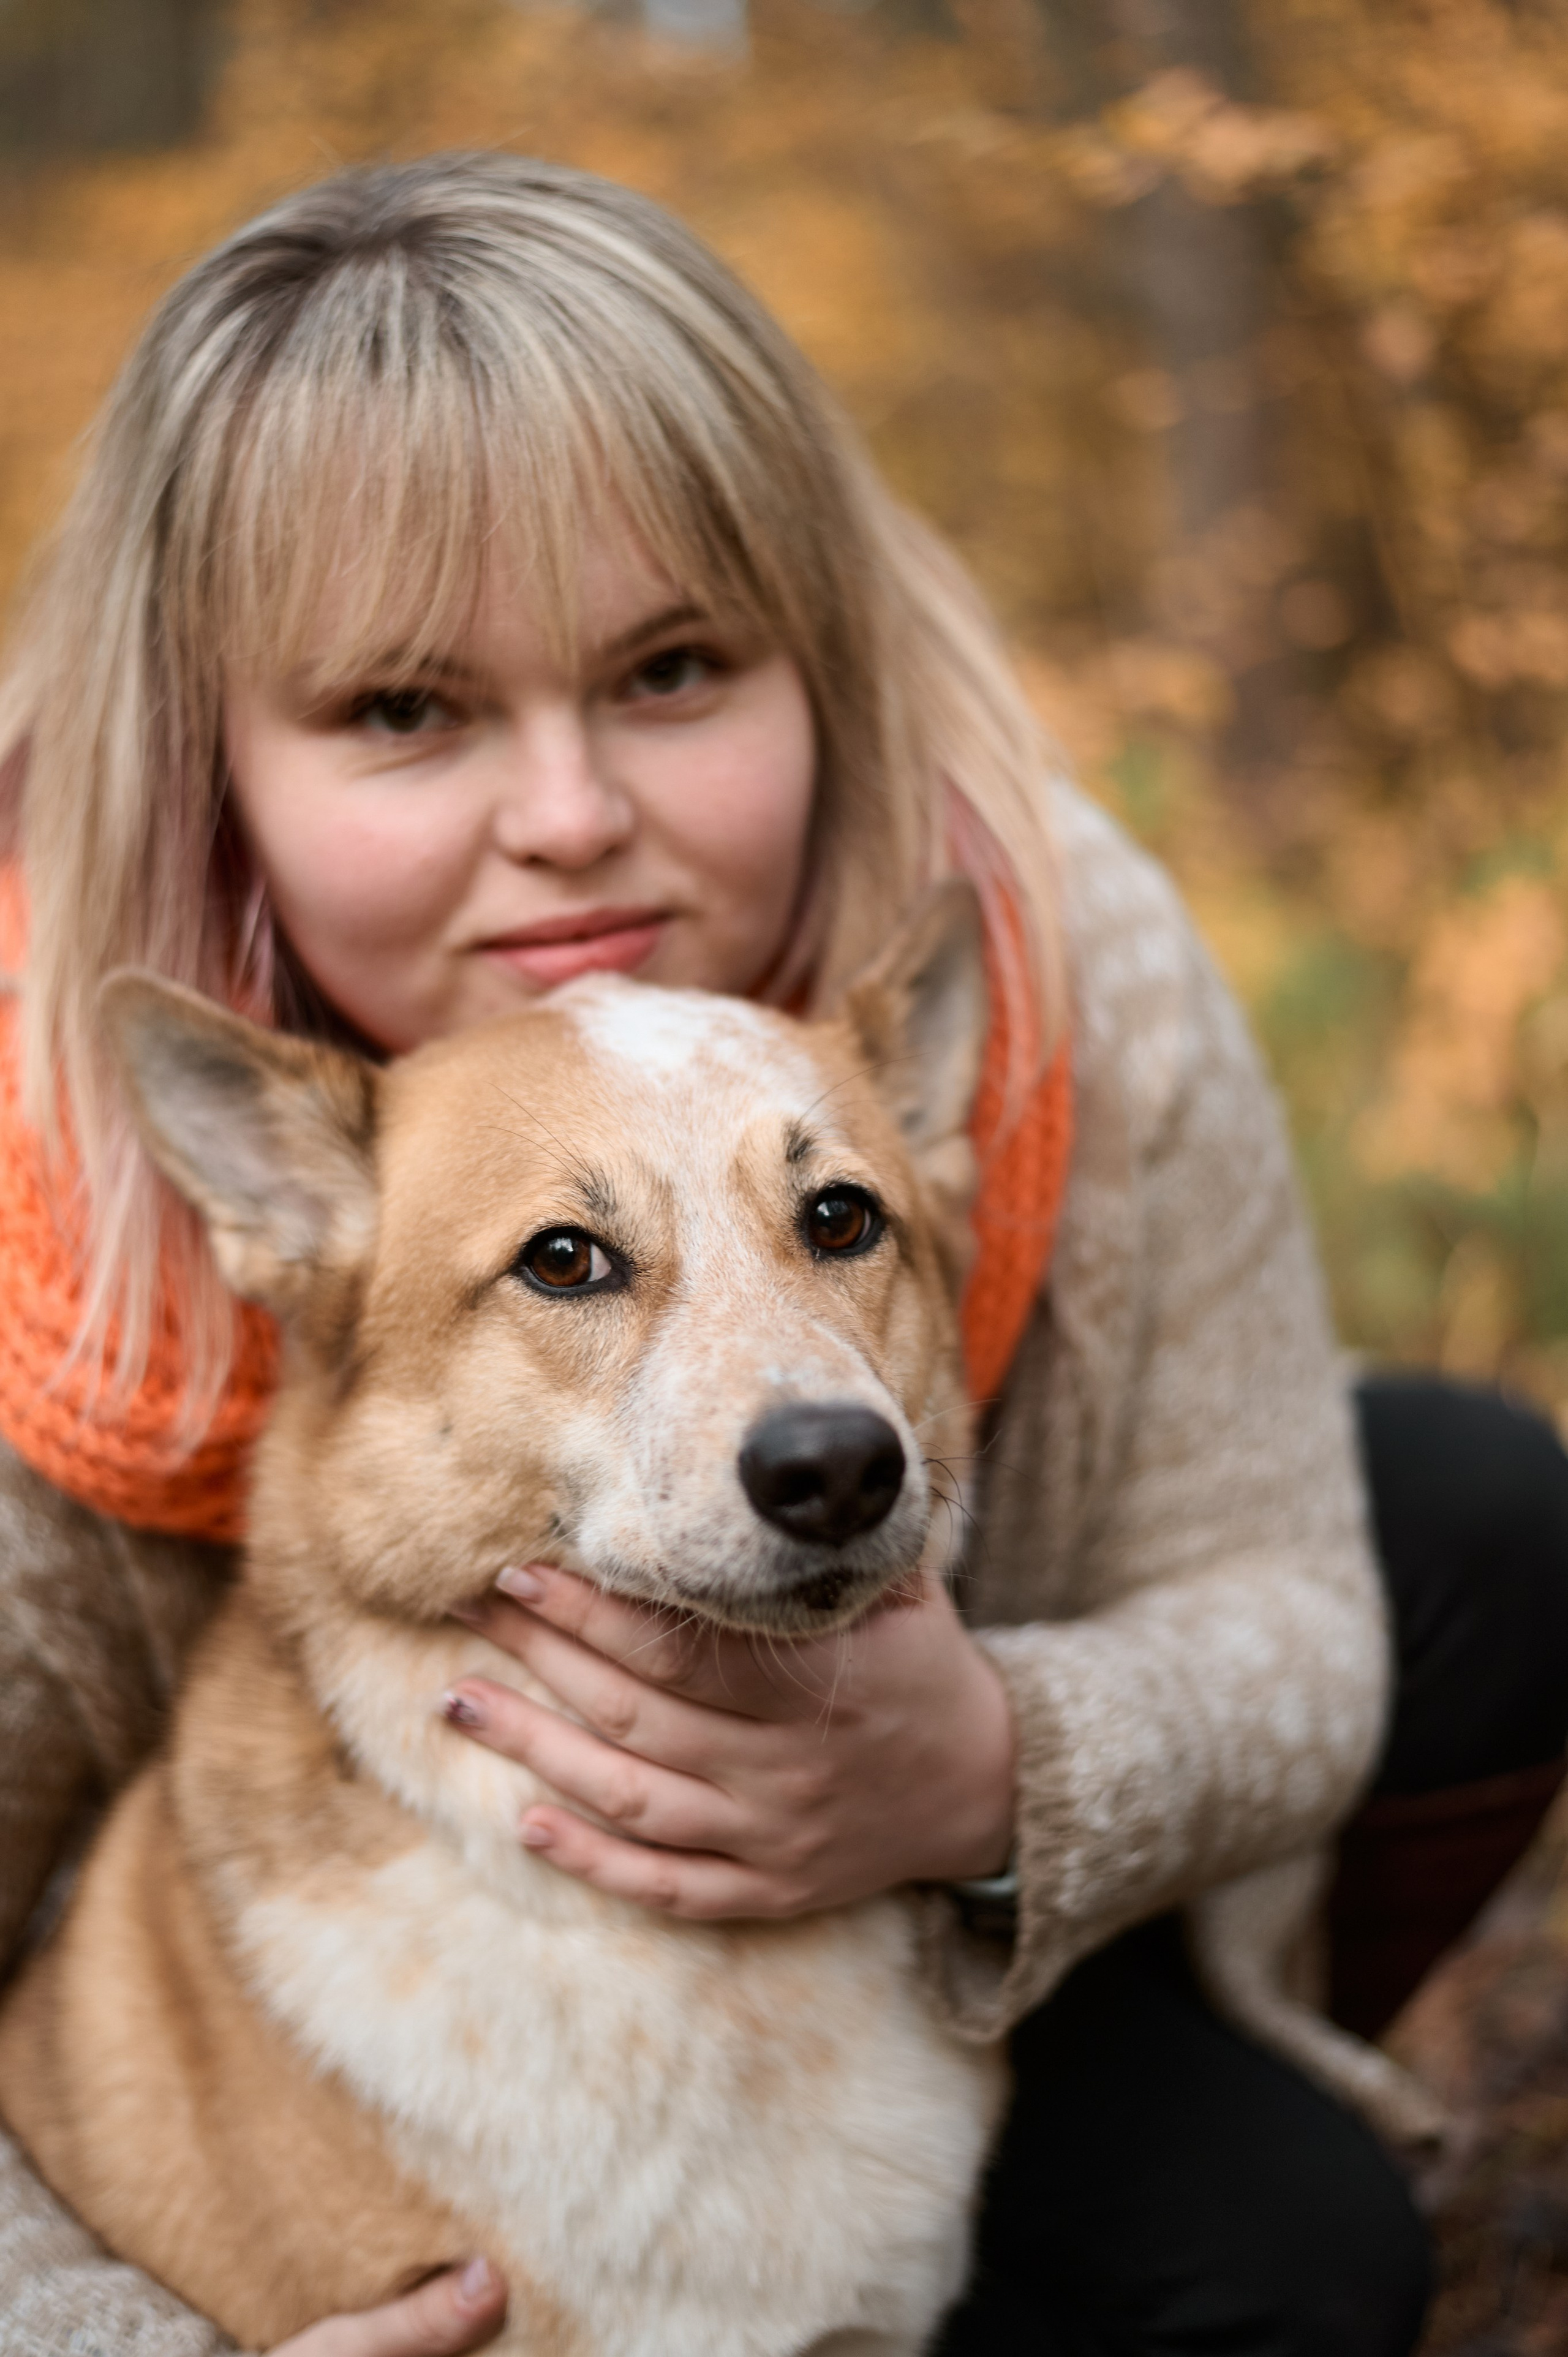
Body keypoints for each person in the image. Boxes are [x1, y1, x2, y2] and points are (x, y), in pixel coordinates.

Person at [0, 153, 1565, 2357]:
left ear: (811, 657)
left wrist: (991, 1771)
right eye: (403, 708)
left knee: (1462, 1549)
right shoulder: (51, 1181)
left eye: (670, 668)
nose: (567, 815)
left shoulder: (1042, 951)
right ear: (213, 762)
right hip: (347, 1929)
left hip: (934, 1890)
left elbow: (1294, 1606)